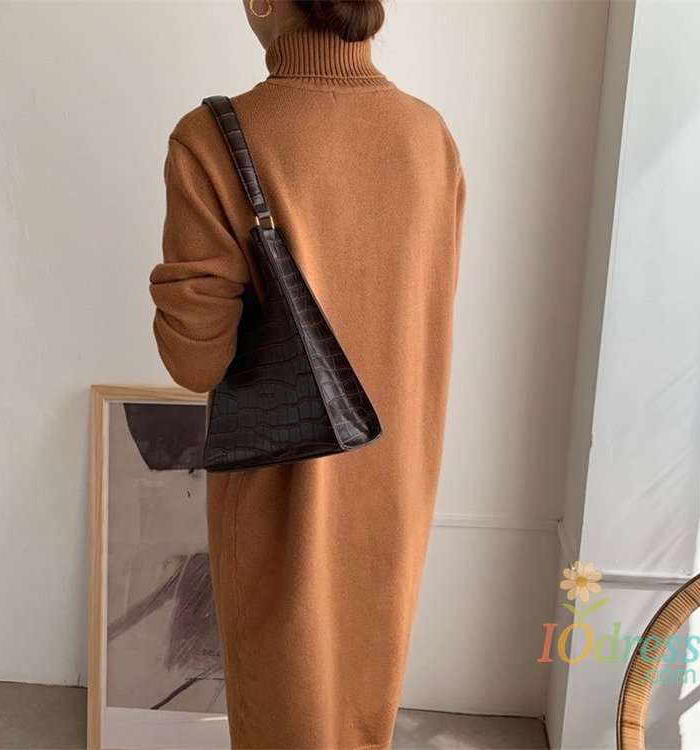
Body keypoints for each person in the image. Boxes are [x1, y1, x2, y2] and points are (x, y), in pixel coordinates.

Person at [148, 0, 466, 747]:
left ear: (263, 1)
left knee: (279, 708)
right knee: (362, 710)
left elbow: (195, 361)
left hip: (277, 489)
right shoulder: (431, 136)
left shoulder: (210, 140)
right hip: (396, 483)